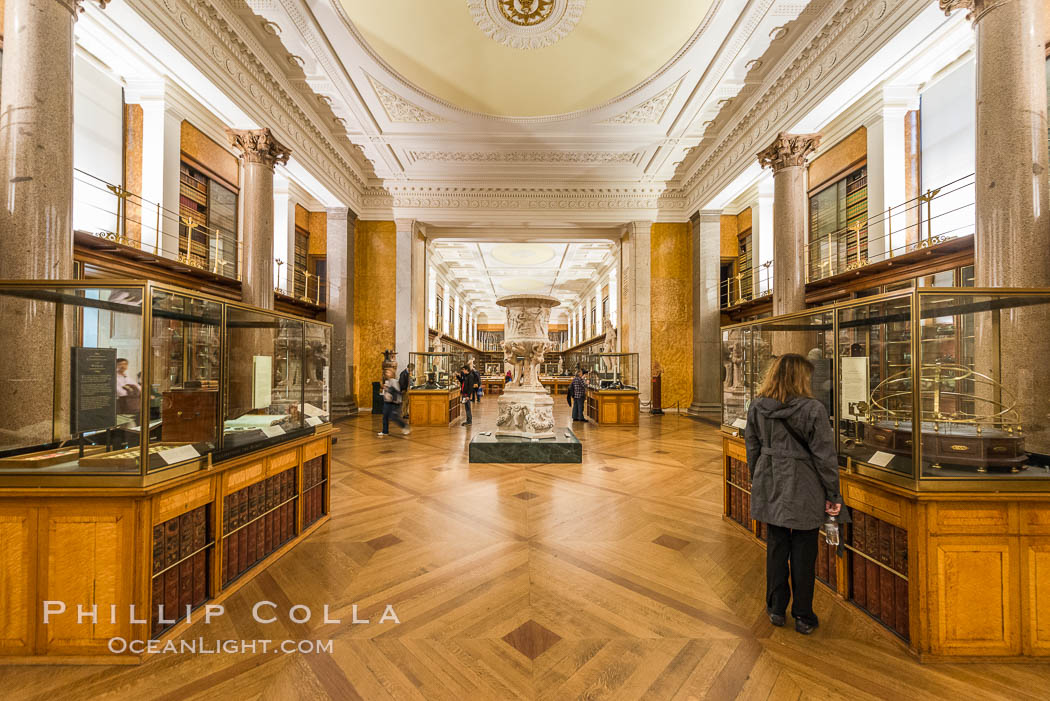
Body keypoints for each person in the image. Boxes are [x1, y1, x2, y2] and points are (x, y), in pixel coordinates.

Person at [745, 353, 844, 635]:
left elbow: (751, 446)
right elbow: (825, 456)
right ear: (801, 378)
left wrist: (759, 476)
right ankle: (803, 614)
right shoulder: (813, 409)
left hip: (770, 478)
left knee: (776, 546)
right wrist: (833, 493)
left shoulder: (757, 406)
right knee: (804, 549)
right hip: (805, 483)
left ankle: (776, 608)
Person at [378, 367, 410, 437]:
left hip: (394, 402)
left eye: (388, 372)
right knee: (385, 417)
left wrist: (388, 389)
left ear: (392, 373)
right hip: (387, 401)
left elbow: (397, 392)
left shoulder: (394, 381)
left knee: (394, 417)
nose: (387, 373)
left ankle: (404, 426)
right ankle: (385, 431)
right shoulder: (387, 381)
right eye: (386, 372)